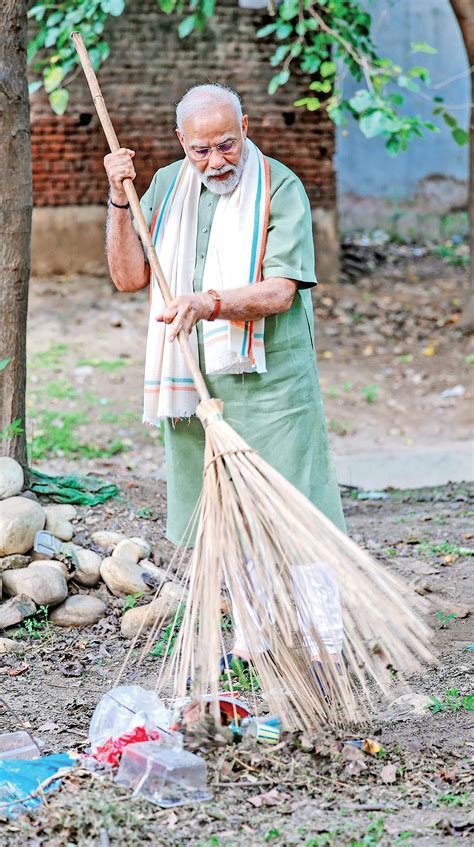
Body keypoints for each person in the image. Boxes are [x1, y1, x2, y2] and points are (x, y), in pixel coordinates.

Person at [104, 83, 345, 667]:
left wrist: (207, 303)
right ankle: (257, 636)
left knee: (296, 502)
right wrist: (117, 199)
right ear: (180, 142)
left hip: (271, 376)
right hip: (194, 377)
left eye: (227, 145)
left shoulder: (280, 187)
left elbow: (282, 292)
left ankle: (324, 637)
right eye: (201, 150)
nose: (215, 162)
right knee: (225, 508)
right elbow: (129, 278)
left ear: (247, 126)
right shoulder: (162, 185)